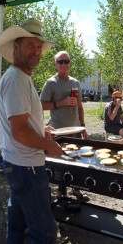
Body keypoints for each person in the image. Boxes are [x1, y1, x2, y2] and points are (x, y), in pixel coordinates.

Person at [0, 18, 63, 244]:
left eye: (39, 47)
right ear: (16, 47)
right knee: (44, 231)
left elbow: (23, 123)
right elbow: (20, 131)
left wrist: (42, 131)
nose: (36, 51)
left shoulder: (19, 77)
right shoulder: (16, 79)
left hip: (17, 164)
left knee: (17, 225)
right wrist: (49, 145)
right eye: (30, 45)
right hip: (27, 168)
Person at [40, 50, 89, 201]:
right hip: (58, 130)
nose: (63, 64)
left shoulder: (75, 82)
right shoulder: (51, 83)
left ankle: (77, 189)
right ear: (56, 64)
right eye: (60, 61)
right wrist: (62, 102)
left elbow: (80, 106)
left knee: (77, 160)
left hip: (75, 129)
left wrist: (83, 126)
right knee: (61, 161)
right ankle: (62, 192)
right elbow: (41, 105)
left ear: (70, 63)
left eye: (66, 61)